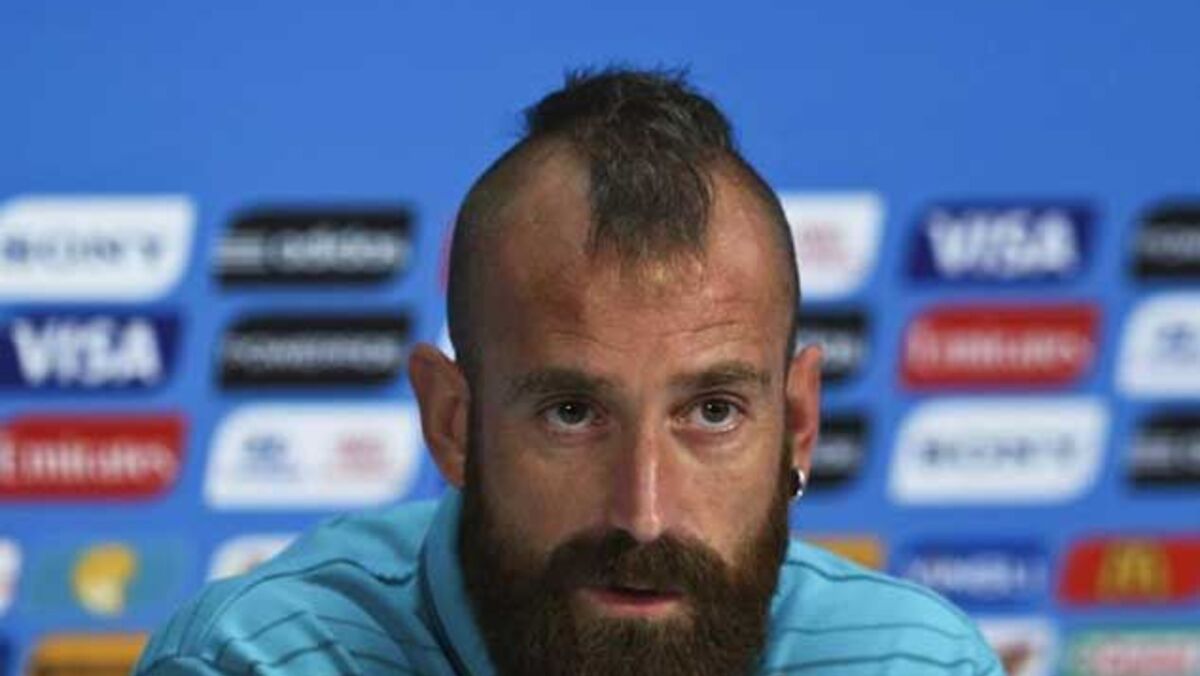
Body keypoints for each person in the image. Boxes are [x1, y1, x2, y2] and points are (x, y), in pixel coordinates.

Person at [136, 68, 1002, 675]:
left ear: (799, 426)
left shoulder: (911, 662)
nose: (644, 514)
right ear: (452, 424)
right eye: (572, 413)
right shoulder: (259, 661)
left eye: (712, 412)